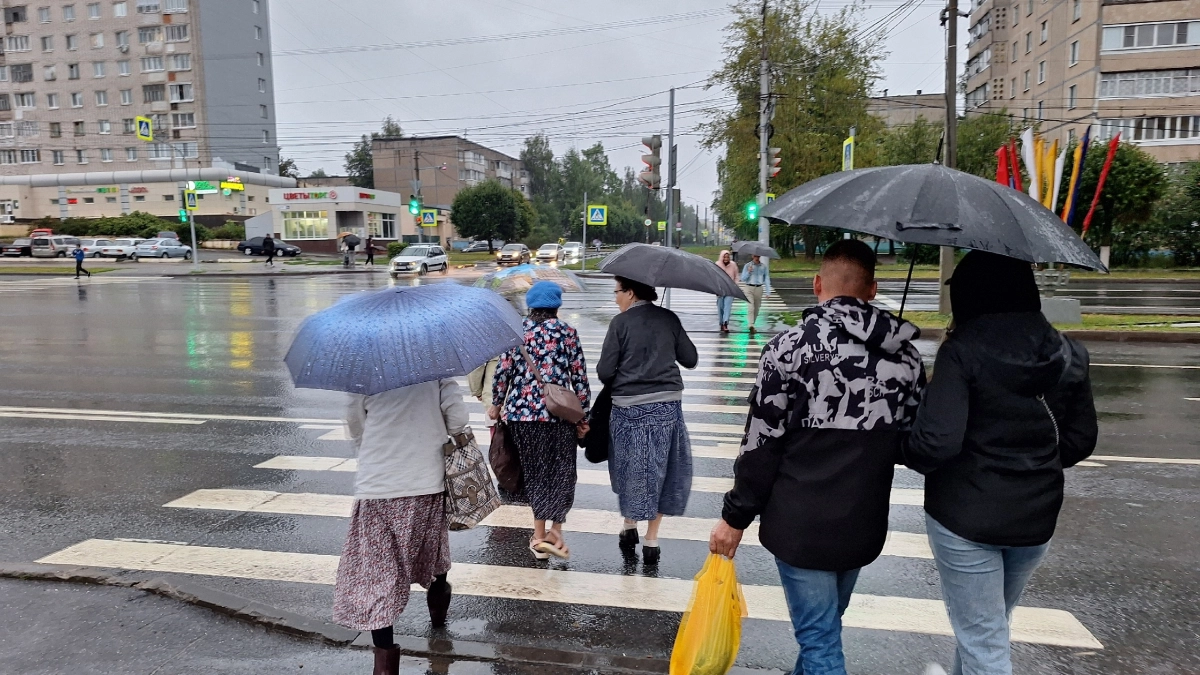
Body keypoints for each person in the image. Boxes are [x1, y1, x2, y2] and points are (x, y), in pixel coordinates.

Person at [710, 239, 926, 675]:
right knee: (822, 633)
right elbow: (913, 443)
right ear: (872, 289)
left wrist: (735, 517)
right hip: (863, 523)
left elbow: (761, 443)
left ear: (817, 284)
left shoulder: (789, 349)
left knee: (821, 645)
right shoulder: (906, 358)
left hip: (799, 526)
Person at [903, 251, 1098, 675]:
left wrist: (905, 442)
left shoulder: (962, 353)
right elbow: (1081, 441)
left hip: (965, 519)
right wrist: (1034, 463)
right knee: (986, 629)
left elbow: (935, 444)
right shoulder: (1069, 353)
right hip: (1036, 518)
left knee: (984, 642)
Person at [332, 378, 468, 675]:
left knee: (378, 574)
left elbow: (356, 424)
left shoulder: (363, 370)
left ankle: (384, 667)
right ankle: (438, 617)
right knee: (432, 550)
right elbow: (457, 420)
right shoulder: (436, 365)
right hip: (426, 480)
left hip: (378, 484)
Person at [597, 276, 698, 565]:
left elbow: (605, 372)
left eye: (617, 292)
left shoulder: (620, 324)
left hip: (628, 408)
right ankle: (651, 540)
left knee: (630, 466)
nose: (616, 298)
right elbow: (690, 359)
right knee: (661, 469)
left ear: (630, 292)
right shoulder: (668, 318)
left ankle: (630, 526)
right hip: (667, 406)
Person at [489, 281, 591, 560]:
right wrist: (584, 415)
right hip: (559, 414)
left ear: (531, 306)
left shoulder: (517, 334)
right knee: (561, 471)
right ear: (556, 306)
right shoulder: (567, 332)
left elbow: (503, 373)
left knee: (535, 472)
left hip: (522, 416)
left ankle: (538, 536)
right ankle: (556, 531)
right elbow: (579, 377)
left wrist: (497, 404)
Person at [739, 253, 771, 334]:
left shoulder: (763, 266)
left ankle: (753, 324)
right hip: (749, 288)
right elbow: (743, 278)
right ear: (752, 256)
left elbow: (766, 278)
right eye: (755, 256)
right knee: (751, 307)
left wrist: (768, 291)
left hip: (759, 288)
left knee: (756, 308)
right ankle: (751, 325)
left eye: (758, 256)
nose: (756, 257)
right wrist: (748, 272)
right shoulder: (747, 266)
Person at [715, 250, 739, 333]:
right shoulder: (717, 264)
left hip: (730, 289)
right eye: (724, 257)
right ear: (721, 257)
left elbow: (736, 277)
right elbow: (714, 277)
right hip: (720, 289)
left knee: (727, 307)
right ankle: (721, 323)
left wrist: (735, 286)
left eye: (727, 257)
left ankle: (725, 323)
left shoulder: (733, 265)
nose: (726, 258)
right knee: (720, 307)